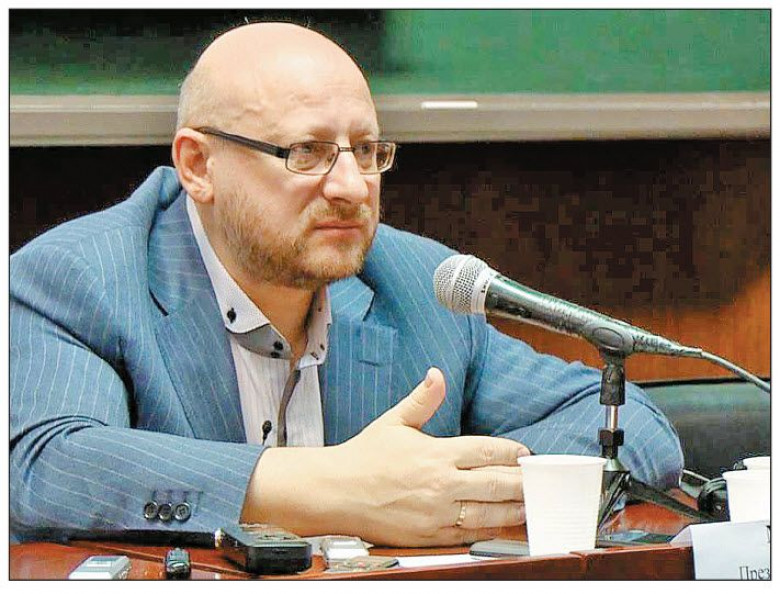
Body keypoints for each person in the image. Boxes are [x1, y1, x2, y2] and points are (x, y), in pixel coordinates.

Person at [10, 22, 683, 547]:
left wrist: (453, 493)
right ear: (198, 166)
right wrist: (335, 490)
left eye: (367, 151)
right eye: (306, 152)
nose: (353, 187)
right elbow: (47, 467)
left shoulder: (415, 283)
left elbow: (631, 429)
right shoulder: (82, 277)